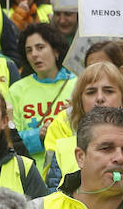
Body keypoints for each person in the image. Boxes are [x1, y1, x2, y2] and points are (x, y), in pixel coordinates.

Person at [42, 62, 123, 186]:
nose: (100, 98)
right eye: (91, 92)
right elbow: (55, 194)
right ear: (80, 101)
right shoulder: (63, 147)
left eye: (109, 91)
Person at [9, 22, 74, 169]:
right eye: (28, 50)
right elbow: (9, 139)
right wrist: (38, 135)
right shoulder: (16, 90)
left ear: (56, 50)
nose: (34, 55)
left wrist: (77, 116)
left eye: (40, 47)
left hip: (70, 169)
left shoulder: (78, 85)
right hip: (31, 173)